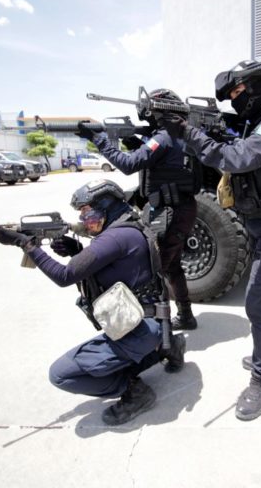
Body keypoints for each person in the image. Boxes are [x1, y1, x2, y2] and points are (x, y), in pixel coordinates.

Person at [161, 60, 261, 421]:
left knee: (257, 303)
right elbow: (237, 146)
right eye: (230, 96)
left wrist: (188, 132)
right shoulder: (259, 125)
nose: (235, 100)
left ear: (260, 87)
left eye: (238, 92)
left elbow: (237, 158)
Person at [0, 179, 186, 426]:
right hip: (151, 321)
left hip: (136, 330)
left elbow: (64, 276)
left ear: (107, 206)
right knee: (111, 357)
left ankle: (135, 392)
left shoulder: (114, 238)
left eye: (87, 213)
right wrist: (76, 251)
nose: (85, 220)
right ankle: (166, 347)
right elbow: (114, 267)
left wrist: (26, 244)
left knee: (60, 375)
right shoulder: (129, 227)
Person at [81, 89, 200, 331]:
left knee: (153, 271)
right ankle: (185, 316)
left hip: (169, 212)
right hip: (181, 209)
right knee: (172, 266)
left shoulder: (163, 137)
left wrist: (99, 139)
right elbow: (159, 160)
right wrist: (134, 141)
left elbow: (128, 164)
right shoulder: (181, 135)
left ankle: (159, 332)